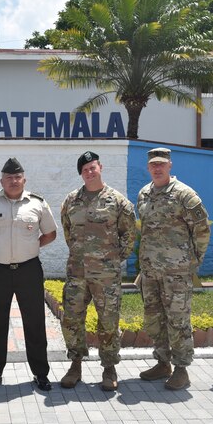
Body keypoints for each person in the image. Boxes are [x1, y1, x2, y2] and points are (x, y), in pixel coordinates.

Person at [0, 157, 57, 392]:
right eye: (9, 177)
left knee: (35, 323)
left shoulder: (37, 203)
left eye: (17, 177)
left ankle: (41, 374)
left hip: (28, 270)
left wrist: (31, 247)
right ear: (1, 180)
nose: (13, 180)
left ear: (24, 179)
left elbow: (50, 233)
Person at [60, 151, 136, 391]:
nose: (89, 172)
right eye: (85, 170)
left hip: (106, 275)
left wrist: (113, 260)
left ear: (100, 167)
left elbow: (129, 234)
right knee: (72, 320)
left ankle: (109, 368)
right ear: (81, 174)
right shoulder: (71, 200)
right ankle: (75, 365)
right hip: (77, 273)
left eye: (93, 167)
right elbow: (68, 231)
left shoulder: (117, 201)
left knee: (108, 322)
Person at [136, 148, 210, 391]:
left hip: (176, 272)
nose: (157, 168)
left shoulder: (184, 195)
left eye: (161, 164)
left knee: (178, 320)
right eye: (153, 165)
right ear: (148, 167)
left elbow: (202, 229)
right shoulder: (144, 194)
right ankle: (162, 363)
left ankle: (181, 370)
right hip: (150, 271)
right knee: (154, 318)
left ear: (170, 165)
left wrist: (193, 261)